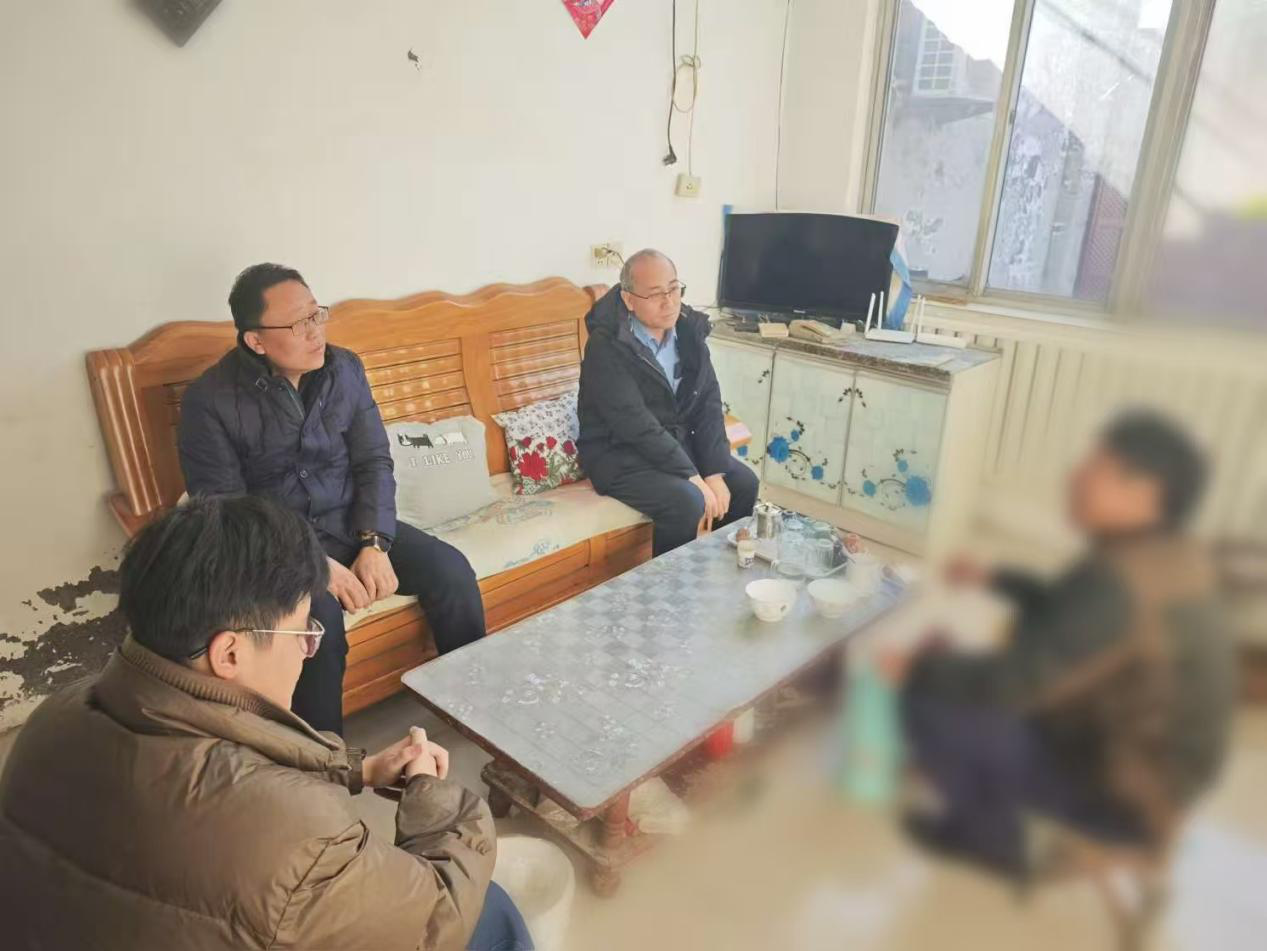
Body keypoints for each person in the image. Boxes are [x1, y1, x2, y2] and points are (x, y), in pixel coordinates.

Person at [0, 495, 531, 951]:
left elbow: (212, 764)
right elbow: (434, 917)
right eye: (302, 632)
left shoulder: (54, 717)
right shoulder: (299, 841)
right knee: (491, 913)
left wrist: (357, 769)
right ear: (229, 654)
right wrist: (432, 796)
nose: (306, 650)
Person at [889, 411, 1238, 878]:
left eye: (1096, 468)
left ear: (1144, 492)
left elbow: (1014, 684)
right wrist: (995, 579)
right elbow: (1067, 613)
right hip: (1163, 766)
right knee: (963, 667)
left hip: (1129, 796)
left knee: (935, 696)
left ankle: (986, 840)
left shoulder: (1117, 583)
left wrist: (916, 667)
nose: (1075, 477)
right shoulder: (1170, 552)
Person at [178, 263, 486, 735]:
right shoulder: (210, 400)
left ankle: (477, 714)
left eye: (316, 314)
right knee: (314, 623)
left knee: (451, 570)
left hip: (352, 523)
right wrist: (312, 564)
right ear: (255, 340)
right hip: (276, 550)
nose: (315, 331)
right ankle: (322, 757)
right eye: (298, 323)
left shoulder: (344, 368)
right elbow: (227, 512)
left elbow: (373, 460)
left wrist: (374, 542)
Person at [577, 249, 758, 556]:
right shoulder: (606, 346)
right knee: (687, 500)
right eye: (655, 294)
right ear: (629, 300)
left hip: (672, 444)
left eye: (674, 289)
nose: (669, 302)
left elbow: (708, 402)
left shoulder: (688, 331)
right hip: (620, 452)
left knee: (743, 482)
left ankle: (718, 568)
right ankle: (671, 583)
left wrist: (713, 472)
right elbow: (634, 423)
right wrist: (694, 477)